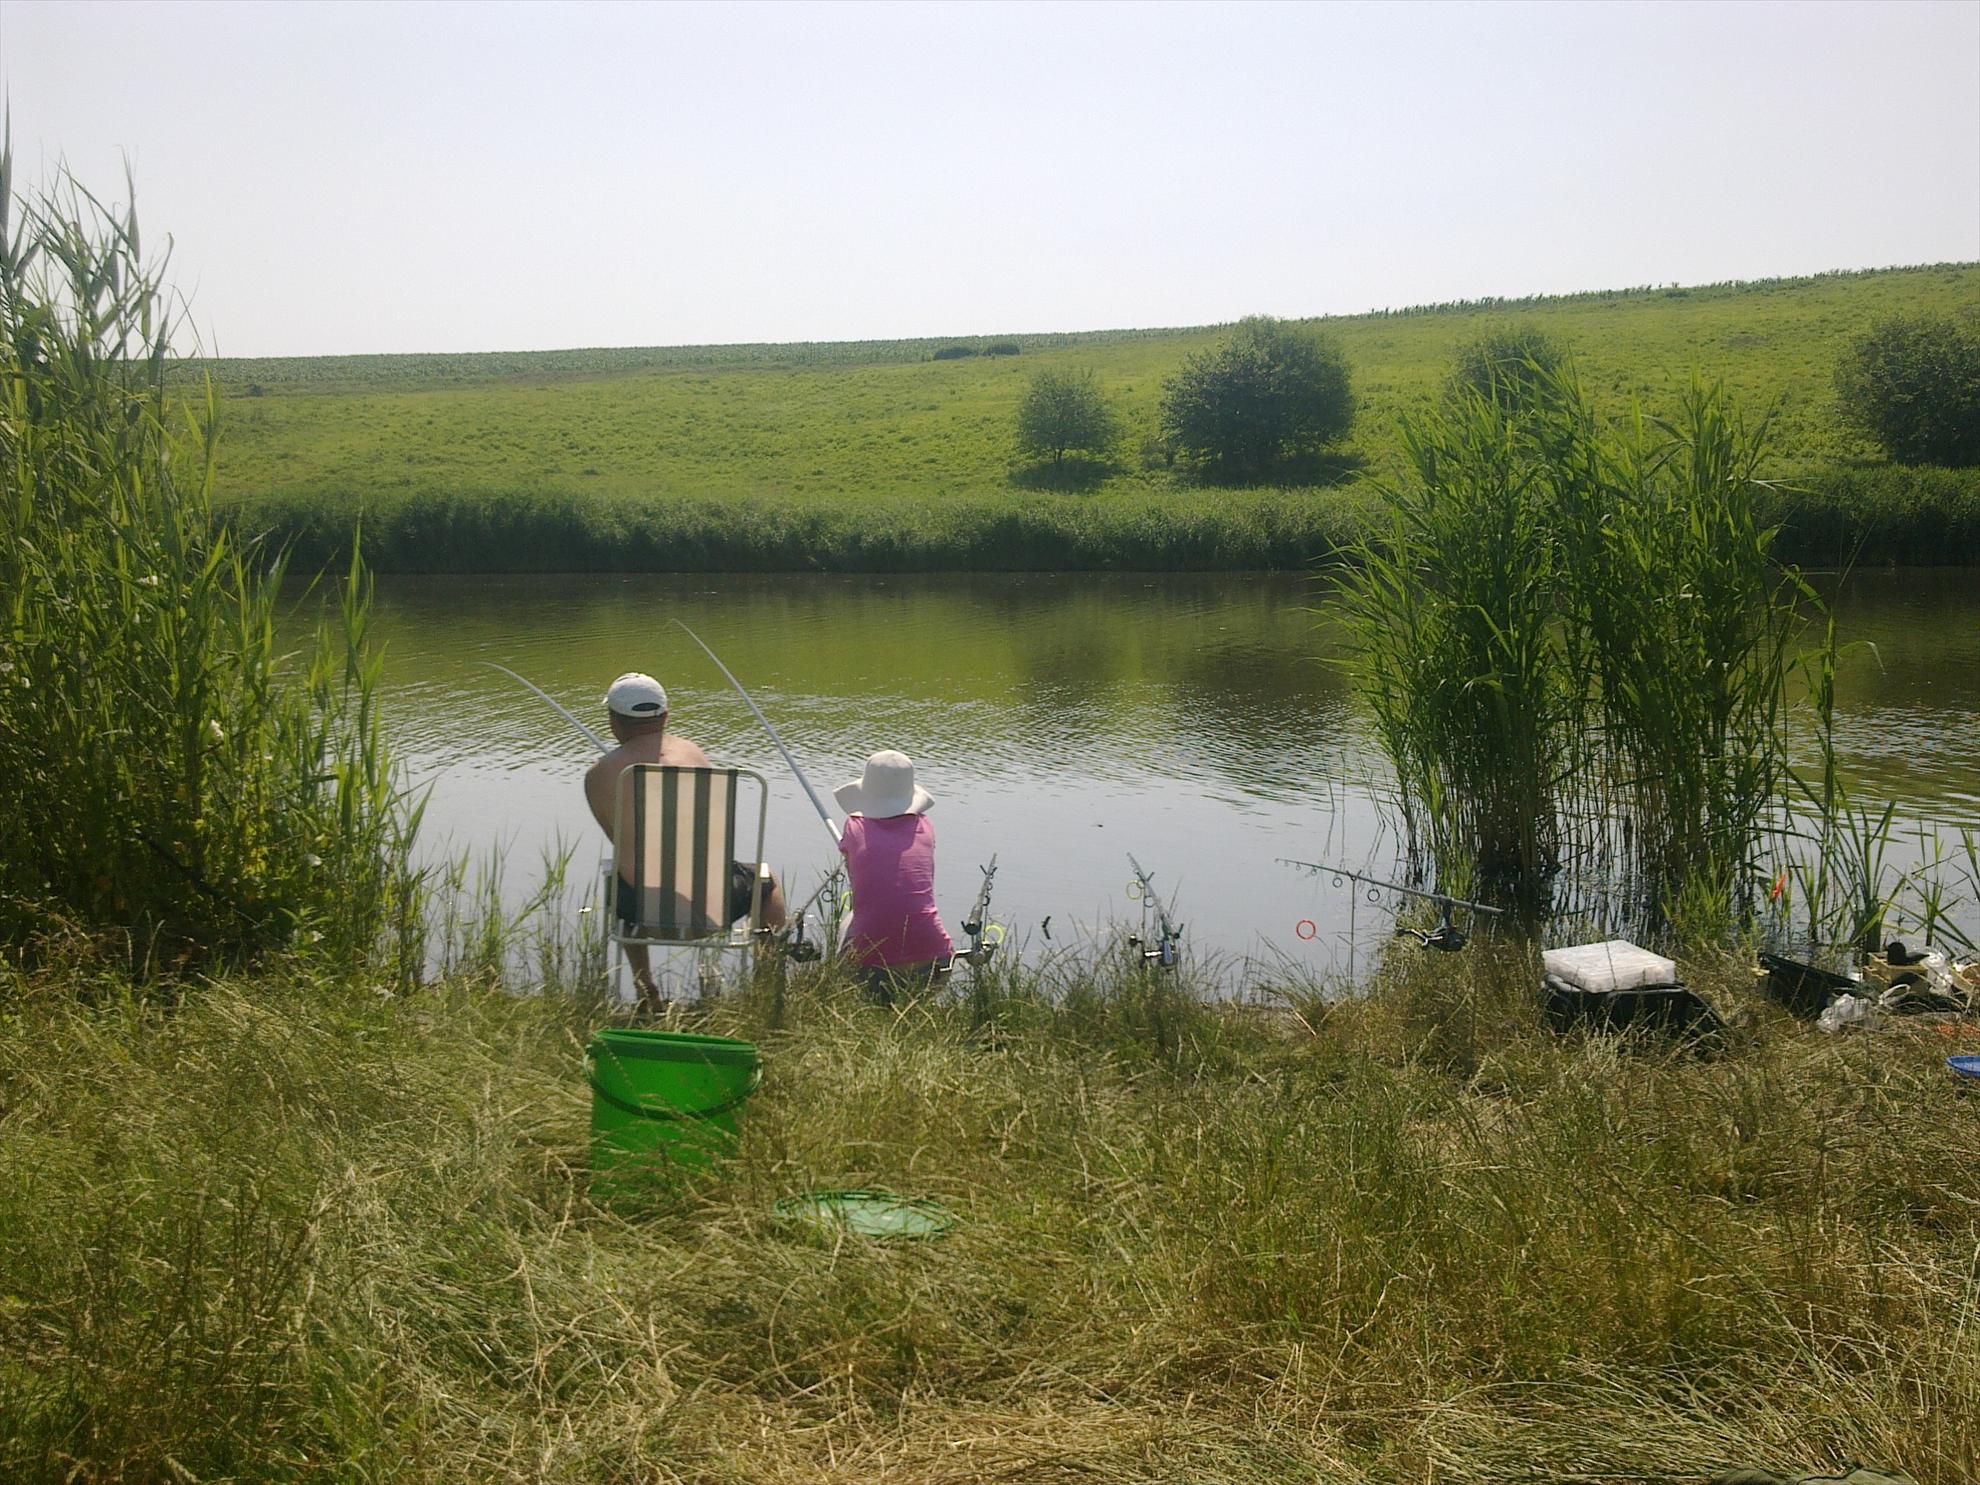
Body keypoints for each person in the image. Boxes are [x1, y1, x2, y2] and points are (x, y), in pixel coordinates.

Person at [583, 671, 786, 1008]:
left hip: (640, 914)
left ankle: (647, 990)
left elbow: (621, 844)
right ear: (664, 716)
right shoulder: (694, 754)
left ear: (612, 721)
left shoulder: (600, 775)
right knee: (769, 881)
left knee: (620, 872)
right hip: (714, 907)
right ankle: (767, 987)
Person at [833, 749, 953, 1004]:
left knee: (850, 920)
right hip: (936, 964)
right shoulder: (925, 826)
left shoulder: (854, 826)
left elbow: (856, 879)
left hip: (870, 968)